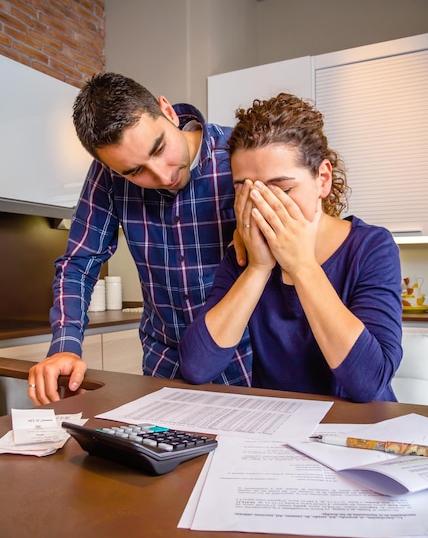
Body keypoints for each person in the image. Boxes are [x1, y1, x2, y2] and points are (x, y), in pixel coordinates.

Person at [27, 73, 252, 405]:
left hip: (250, 362)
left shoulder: (240, 153)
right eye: (135, 172)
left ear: (167, 111)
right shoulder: (109, 176)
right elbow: (78, 264)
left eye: (160, 148)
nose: (163, 175)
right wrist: (65, 347)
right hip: (165, 365)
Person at [179, 93, 403, 403]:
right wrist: (258, 268)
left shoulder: (371, 247)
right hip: (278, 433)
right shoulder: (245, 254)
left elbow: (368, 383)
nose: (261, 206)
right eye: (245, 190)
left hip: (359, 434)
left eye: (282, 189)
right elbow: (197, 366)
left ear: (322, 179)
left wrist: (302, 266)